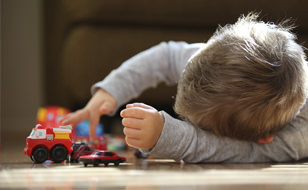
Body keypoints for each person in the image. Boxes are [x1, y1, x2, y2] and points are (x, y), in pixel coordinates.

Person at [61, 13, 308, 163]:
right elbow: (164, 57)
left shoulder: (295, 139)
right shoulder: (210, 58)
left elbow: (242, 152)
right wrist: (108, 93)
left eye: (201, 127)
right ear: (210, 44)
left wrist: (169, 136)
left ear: (264, 138)